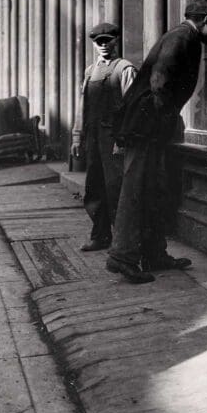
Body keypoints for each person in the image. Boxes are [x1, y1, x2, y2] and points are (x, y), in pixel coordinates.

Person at [107, 2, 207, 284]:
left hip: (149, 126)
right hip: (147, 127)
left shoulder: (182, 36)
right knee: (136, 190)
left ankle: (154, 254)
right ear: (206, 21)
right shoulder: (183, 38)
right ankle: (122, 257)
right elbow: (159, 82)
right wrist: (163, 121)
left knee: (153, 189)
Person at [71, 22, 137, 252]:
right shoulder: (90, 72)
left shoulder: (125, 69)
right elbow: (82, 108)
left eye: (107, 40)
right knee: (94, 188)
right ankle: (100, 236)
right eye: (99, 42)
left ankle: (122, 242)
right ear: (94, 44)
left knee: (116, 189)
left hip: (115, 140)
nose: (103, 45)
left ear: (116, 40)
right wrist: (77, 138)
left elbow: (132, 109)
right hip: (93, 138)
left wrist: (124, 141)